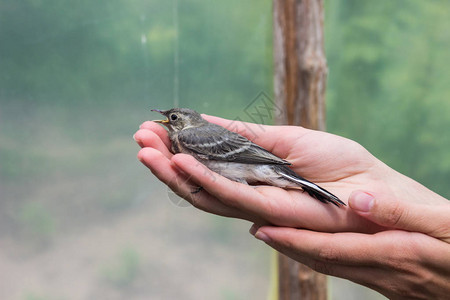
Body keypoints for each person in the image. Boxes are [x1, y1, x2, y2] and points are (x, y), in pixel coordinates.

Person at [134, 114, 450, 299]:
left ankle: (310, 187)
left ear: (186, 121)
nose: (168, 121)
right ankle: (310, 188)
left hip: (260, 168)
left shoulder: (193, 136)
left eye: (173, 117)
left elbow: (240, 156)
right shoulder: (193, 136)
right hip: (258, 169)